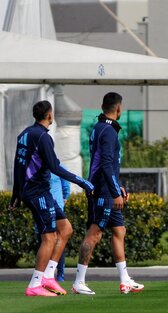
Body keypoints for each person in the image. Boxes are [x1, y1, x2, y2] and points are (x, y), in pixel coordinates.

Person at [9, 100, 94, 297]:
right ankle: (34, 284)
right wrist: (83, 182)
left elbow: (17, 165)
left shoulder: (25, 134)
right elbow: (55, 167)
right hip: (37, 192)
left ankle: (48, 276)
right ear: (49, 115)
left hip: (39, 191)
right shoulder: (42, 138)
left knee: (66, 229)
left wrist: (15, 194)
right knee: (49, 237)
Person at [72, 92, 144, 295]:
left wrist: (118, 186)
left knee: (119, 231)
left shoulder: (100, 127)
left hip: (107, 188)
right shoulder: (108, 131)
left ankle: (125, 280)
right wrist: (115, 192)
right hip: (103, 192)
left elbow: (109, 164)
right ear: (118, 109)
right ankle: (79, 281)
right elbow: (105, 165)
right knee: (94, 234)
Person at [49, 167, 71, 282]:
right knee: (46, 241)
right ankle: (47, 274)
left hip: (57, 208)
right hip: (44, 207)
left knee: (59, 239)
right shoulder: (37, 166)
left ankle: (60, 274)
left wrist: (65, 197)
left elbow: (66, 185)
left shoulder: (58, 166)